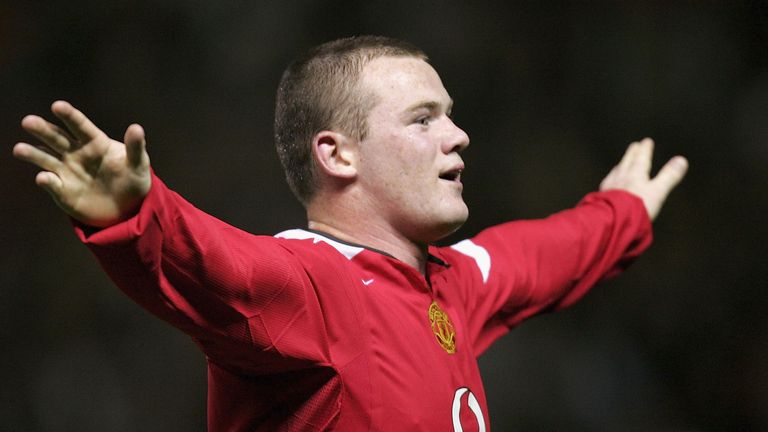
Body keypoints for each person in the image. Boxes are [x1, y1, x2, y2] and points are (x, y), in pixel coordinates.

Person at [13, 36, 688, 431]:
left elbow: (538, 257)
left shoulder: (451, 282)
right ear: (338, 154)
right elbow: (211, 262)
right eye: (424, 119)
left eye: (449, 116)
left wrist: (621, 213)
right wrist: (135, 216)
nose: (458, 137)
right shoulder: (309, 285)